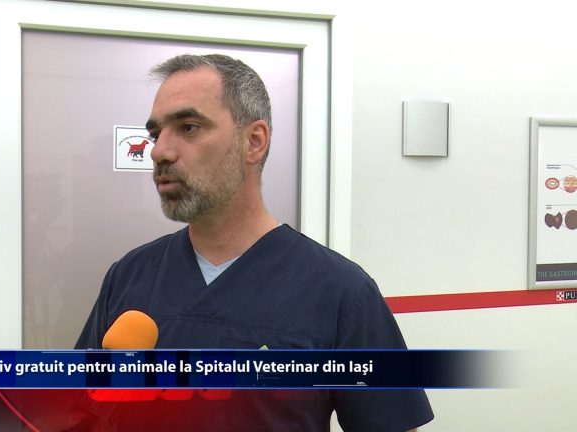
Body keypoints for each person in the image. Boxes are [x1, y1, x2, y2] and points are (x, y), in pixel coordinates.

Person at [76, 54, 433, 431]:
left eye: (189, 127)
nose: (159, 151)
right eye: (156, 134)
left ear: (254, 141)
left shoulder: (342, 293)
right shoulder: (129, 276)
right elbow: (78, 411)